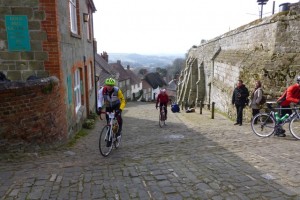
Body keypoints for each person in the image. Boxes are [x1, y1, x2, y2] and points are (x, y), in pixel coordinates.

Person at [97, 78, 126, 143]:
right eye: (108, 85)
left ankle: (119, 131)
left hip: (116, 105)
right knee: (108, 122)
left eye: (111, 85)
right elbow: (99, 100)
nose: (109, 87)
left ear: (113, 86)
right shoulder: (102, 91)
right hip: (108, 106)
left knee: (118, 117)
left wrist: (120, 109)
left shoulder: (117, 90)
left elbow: (123, 101)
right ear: (106, 85)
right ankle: (109, 138)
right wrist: (99, 108)